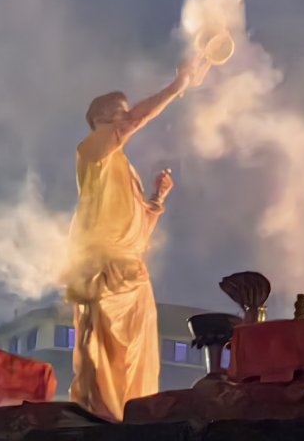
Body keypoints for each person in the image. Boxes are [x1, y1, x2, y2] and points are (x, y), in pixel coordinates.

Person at [65, 56, 205, 421]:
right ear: (98, 118)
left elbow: (138, 234)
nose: (124, 116)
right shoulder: (92, 151)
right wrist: (177, 87)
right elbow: (137, 120)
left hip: (134, 279)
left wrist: (157, 199)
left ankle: (134, 423)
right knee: (103, 368)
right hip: (106, 278)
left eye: (125, 112)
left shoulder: (124, 169)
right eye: (117, 112)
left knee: (138, 369)